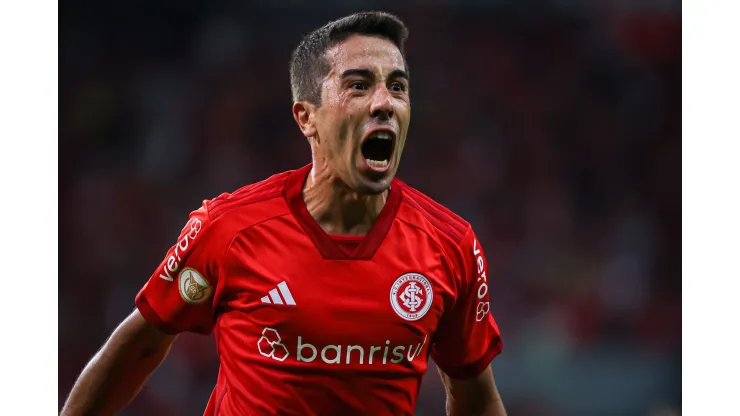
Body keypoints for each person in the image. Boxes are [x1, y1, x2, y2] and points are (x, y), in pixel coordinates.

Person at [61, 11, 506, 416]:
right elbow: (141, 345)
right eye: (358, 85)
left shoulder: (451, 245)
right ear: (306, 118)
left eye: (397, 85)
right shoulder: (230, 227)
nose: (384, 102)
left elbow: (476, 397)